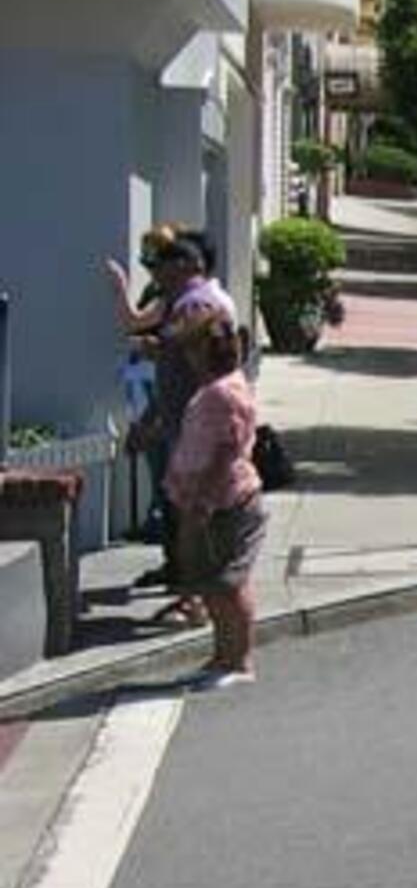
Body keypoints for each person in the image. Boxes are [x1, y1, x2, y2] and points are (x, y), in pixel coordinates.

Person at [106, 230, 234, 594]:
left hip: (193, 428)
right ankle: (187, 583)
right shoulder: (183, 301)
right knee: (179, 506)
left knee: (193, 513)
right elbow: (177, 365)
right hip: (180, 421)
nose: (155, 275)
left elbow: (195, 372)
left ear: (188, 266)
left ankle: (197, 592)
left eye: (158, 265)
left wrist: (156, 420)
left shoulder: (195, 305)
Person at [166, 316, 265, 688]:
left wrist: (201, 503)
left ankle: (238, 660)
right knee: (211, 583)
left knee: (228, 584)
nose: (188, 357)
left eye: (193, 348)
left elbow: (225, 450)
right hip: (206, 499)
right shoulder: (215, 389)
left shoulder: (223, 394)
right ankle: (221, 656)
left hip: (224, 501)